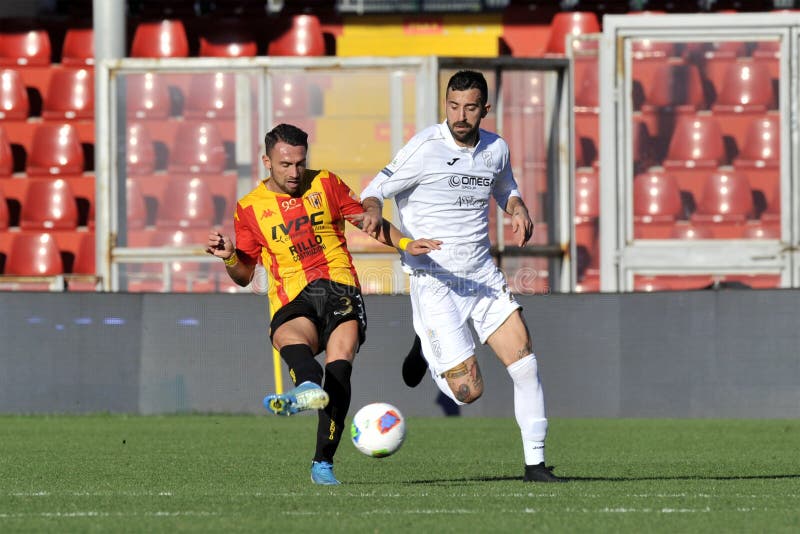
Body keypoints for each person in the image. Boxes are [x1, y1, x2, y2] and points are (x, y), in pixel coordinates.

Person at [359, 70, 566, 483]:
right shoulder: (424, 147)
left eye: (470, 107)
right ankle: (427, 344)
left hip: (482, 277)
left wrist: (518, 209)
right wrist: (372, 212)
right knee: (469, 393)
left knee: (525, 365)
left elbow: (505, 188)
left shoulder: (495, 149)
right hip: (435, 282)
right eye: (453, 106)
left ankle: (535, 466)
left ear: (485, 109)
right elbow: (375, 190)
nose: (460, 115)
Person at [206, 123, 440, 485]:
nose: (294, 172)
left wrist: (407, 244)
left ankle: (322, 462)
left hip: (339, 286)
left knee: (340, 367)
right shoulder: (250, 208)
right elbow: (244, 274)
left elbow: (369, 222)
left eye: (300, 163)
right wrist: (228, 256)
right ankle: (307, 390)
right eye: (285, 164)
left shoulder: (326, 183)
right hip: (292, 294)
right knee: (287, 336)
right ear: (266, 160)